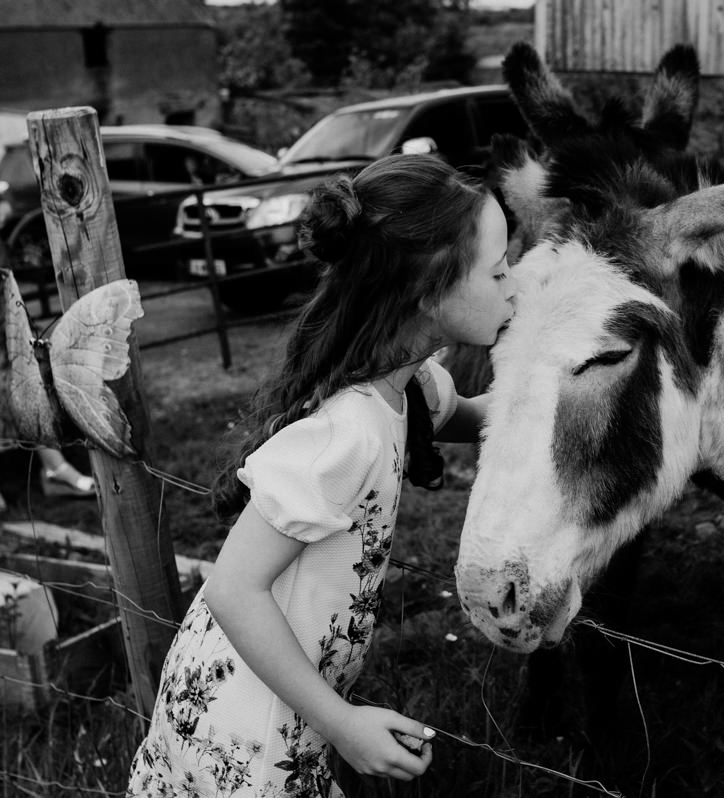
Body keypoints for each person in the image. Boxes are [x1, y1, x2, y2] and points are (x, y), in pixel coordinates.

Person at [126, 154, 516, 796]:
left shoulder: (409, 385)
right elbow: (233, 590)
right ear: (427, 289)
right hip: (245, 727)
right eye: (498, 271)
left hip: (273, 698)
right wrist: (342, 723)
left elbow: (484, 415)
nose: (512, 287)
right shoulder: (348, 432)